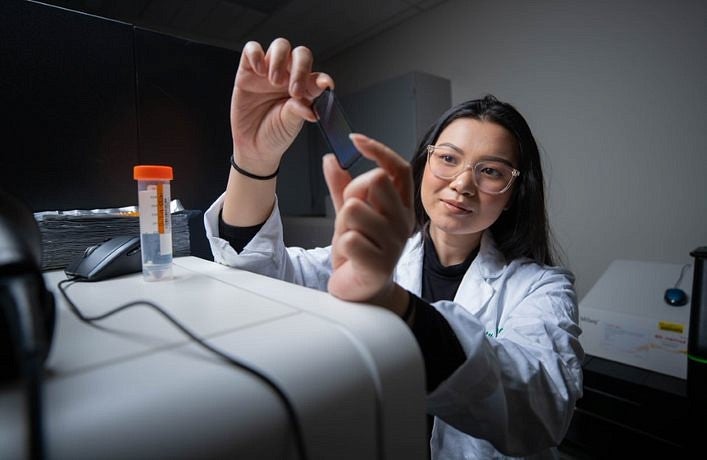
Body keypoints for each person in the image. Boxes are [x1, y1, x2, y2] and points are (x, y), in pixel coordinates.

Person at [204, 38, 584, 459]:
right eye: (448, 159)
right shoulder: (372, 256)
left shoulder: (541, 288)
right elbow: (257, 280)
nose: (462, 183)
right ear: (424, 165)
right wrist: (254, 160)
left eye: (490, 171)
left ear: (513, 193)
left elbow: (541, 411)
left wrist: (391, 302)